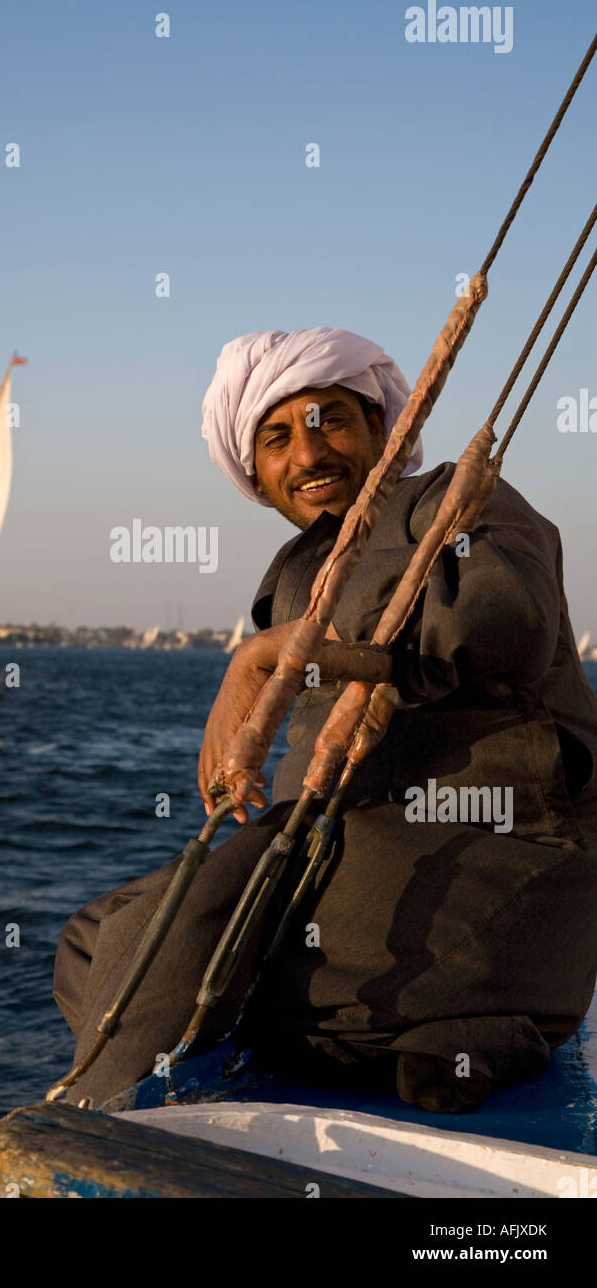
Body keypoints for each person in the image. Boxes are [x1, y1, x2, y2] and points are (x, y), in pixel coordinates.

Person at [53, 328, 597, 1113]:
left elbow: (504, 613)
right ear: (257, 475)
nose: (308, 452)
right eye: (276, 437)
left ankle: (90, 1113)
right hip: (369, 892)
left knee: (212, 900)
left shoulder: (455, 498)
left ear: (383, 430)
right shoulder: (295, 574)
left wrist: (301, 652)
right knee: (93, 937)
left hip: (494, 863)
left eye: (330, 419)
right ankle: (451, 1040)